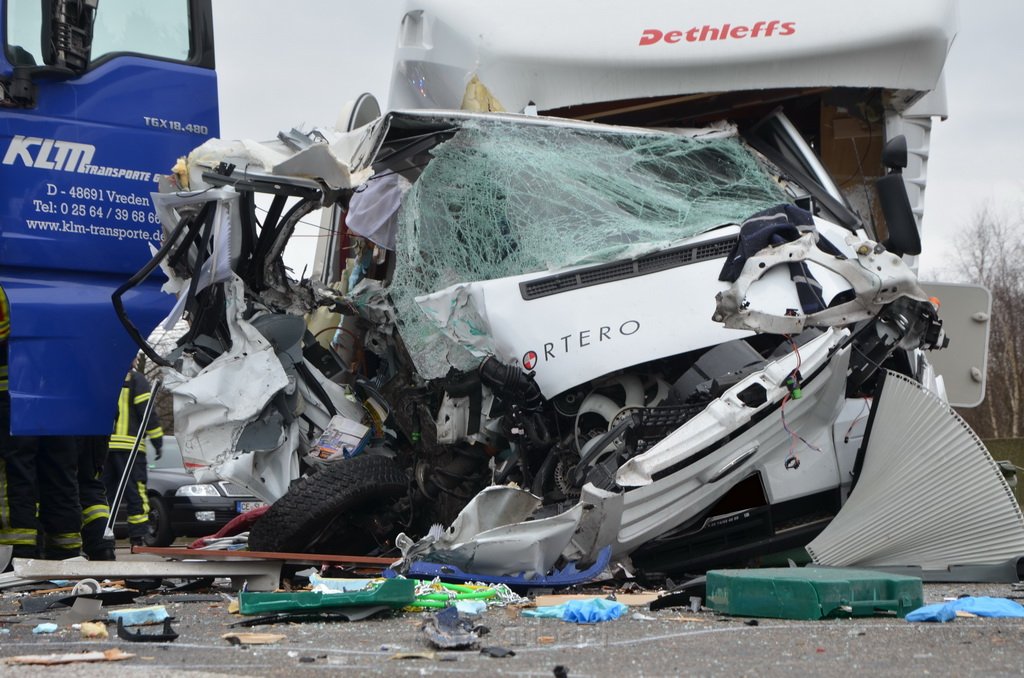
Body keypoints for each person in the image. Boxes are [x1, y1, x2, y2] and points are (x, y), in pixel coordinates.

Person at [0, 286, 83, 566]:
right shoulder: (60, 288)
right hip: (59, 395)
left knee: (14, 473)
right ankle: (66, 554)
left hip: (10, 395)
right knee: (59, 473)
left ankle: (18, 553)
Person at [103, 368, 163, 547]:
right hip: (131, 447)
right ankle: (138, 537)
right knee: (136, 493)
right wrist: (157, 440)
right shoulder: (136, 379)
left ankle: (102, 535)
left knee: (103, 495)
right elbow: (146, 413)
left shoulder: (105, 378)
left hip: (104, 448)